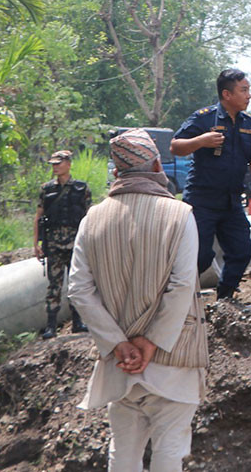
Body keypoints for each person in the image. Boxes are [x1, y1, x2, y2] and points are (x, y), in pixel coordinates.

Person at [68, 128, 206, 472]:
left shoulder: (92, 220)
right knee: (169, 452)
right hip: (174, 360)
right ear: (157, 163)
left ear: (116, 172)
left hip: (121, 365)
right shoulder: (180, 215)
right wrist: (151, 341)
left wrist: (118, 344)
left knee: (124, 455)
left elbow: (79, 290)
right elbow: (183, 286)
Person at [170, 68, 251, 300]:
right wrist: (201, 141)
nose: (249, 95)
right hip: (202, 200)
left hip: (231, 200)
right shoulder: (204, 118)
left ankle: (224, 298)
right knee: (200, 256)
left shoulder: (249, 124)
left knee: (242, 251)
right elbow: (176, 146)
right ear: (227, 94)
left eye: (248, 90)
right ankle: (177, 298)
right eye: (243, 90)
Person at [34, 149, 92, 339]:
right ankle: (51, 326)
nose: (56, 167)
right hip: (54, 244)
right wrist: (37, 244)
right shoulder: (47, 189)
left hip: (76, 243)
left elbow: (90, 218)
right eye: (53, 164)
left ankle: (78, 322)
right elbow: (38, 217)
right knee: (54, 286)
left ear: (69, 163)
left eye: (59, 163)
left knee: (76, 284)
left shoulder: (81, 189)